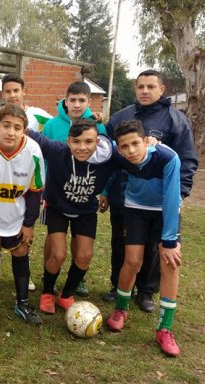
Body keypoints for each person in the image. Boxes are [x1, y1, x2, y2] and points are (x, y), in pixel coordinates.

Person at [102, 70, 198, 312]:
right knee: (122, 245)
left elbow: (185, 160)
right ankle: (119, 287)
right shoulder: (121, 116)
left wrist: (180, 194)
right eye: (140, 86)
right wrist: (105, 190)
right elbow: (106, 150)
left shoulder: (176, 120)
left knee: (156, 248)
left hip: (160, 199)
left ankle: (146, 291)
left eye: (150, 86)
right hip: (124, 197)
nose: (145, 91)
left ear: (162, 89)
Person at [105, 120, 182, 357]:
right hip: (135, 209)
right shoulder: (119, 156)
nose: (131, 151)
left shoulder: (167, 158)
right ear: (119, 148)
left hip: (164, 211)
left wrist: (169, 241)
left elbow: (171, 197)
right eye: (124, 146)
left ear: (147, 140)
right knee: (133, 261)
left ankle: (165, 328)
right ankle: (121, 309)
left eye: (135, 144)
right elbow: (101, 152)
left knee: (170, 262)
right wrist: (105, 192)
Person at [27, 120, 116, 315]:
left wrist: (151, 146)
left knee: (84, 256)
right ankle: (48, 292)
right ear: (68, 142)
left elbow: (134, 155)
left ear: (97, 142)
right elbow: (33, 135)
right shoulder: (58, 150)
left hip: (85, 210)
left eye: (88, 142)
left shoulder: (110, 157)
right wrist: (0, 117)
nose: (82, 147)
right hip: (57, 208)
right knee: (58, 254)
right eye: (76, 142)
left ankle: (66, 295)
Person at [0, 104, 45, 328]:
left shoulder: (33, 151)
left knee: (21, 250)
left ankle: (22, 303)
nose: (11, 132)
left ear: (24, 129)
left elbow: (35, 191)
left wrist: (29, 224)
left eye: (17, 127)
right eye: (6, 125)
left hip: (17, 214)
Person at [0, 74, 51, 289]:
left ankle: (24, 274)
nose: (12, 95)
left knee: (21, 237)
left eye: (16, 90)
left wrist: (89, 115)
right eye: (8, 91)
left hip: (25, 177)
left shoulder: (38, 115)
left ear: (24, 92)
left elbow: (62, 122)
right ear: (2, 94)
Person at [40, 81, 107, 297]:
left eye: (81, 101)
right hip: (56, 197)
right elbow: (46, 157)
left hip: (84, 199)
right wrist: (43, 189)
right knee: (54, 245)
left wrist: (104, 192)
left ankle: (76, 282)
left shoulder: (99, 126)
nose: (77, 105)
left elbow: (107, 162)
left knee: (82, 251)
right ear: (65, 101)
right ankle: (48, 282)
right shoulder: (52, 125)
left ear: (88, 102)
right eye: (73, 100)